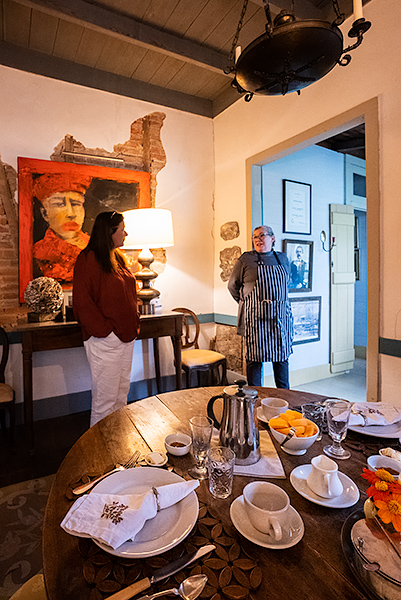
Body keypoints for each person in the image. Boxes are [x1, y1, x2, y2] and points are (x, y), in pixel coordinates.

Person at [73, 211, 140, 427]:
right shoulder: (88, 260)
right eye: (122, 230)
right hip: (107, 341)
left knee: (121, 396)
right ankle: (99, 455)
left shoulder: (117, 258)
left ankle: (116, 446)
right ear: (109, 232)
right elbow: (82, 304)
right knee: (104, 401)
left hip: (125, 339)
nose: (126, 233)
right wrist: (107, 332)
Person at [228, 225, 293, 388]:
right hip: (255, 321)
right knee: (254, 361)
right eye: (255, 237)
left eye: (262, 235)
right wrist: (248, 304)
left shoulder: (282, 258)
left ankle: (285, 399)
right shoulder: (245, 259)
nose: (258, 239)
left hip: (279, 319)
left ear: (273, 238)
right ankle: (255, 398)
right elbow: (232, 286)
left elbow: (287, 284)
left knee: (281, 360)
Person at [33, 173, 92, 282]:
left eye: (76, 204)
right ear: (45, 213)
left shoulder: (94, 243)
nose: (71, 213)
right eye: (59, 204)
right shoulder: (41, 253)